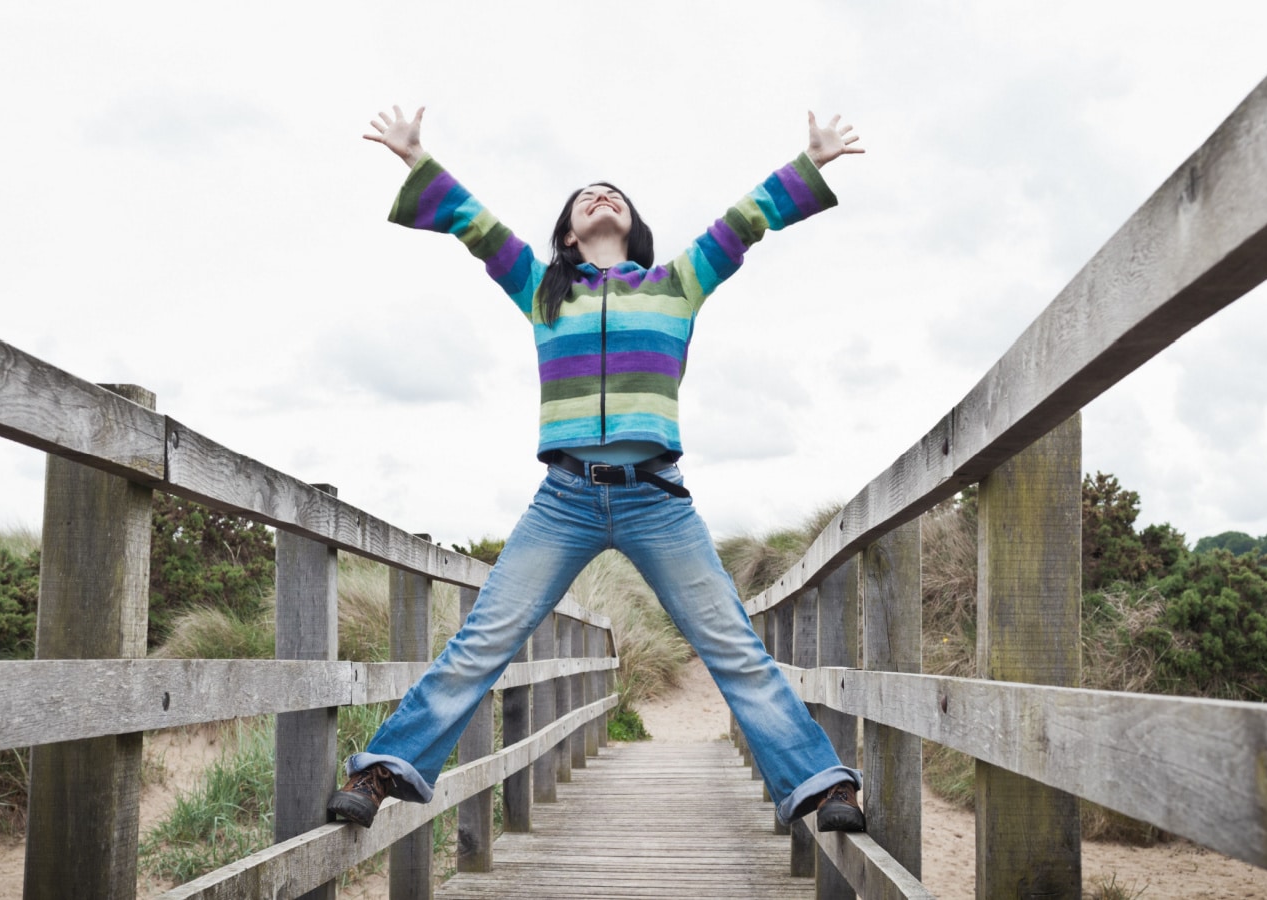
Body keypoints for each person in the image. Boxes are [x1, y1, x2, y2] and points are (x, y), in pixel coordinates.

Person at [328, 105, 868, 832]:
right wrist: (417, 159)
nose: (599, 195)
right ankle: (384, 770)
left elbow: (745, 221)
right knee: (485, 636)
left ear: (632, 225)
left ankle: (822, 784)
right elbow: (475, 227)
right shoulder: (544, 290)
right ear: (568, 233)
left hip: (657, 501)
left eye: (612, 192)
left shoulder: (678, 283)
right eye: (585, 196)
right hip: (565, 501)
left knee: (732, 645)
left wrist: (811, 164)